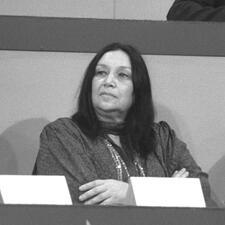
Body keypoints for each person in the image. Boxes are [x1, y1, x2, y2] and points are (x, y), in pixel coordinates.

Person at [33, 42, 213, 206]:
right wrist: (170, 192)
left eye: (122, 75)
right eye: (101, 72)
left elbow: (202, 189)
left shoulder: (162, 139)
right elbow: (84, 196)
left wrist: (129, 194)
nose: (108, 82)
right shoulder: (64, 135)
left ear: (138, 90)